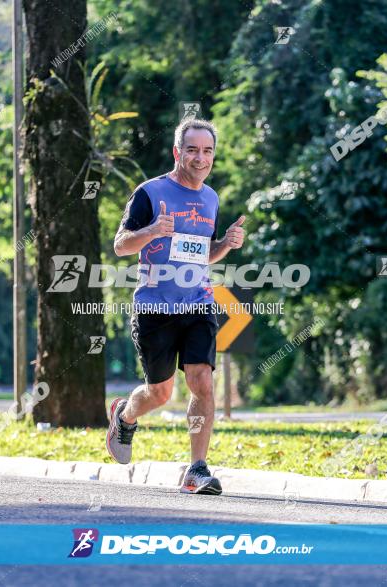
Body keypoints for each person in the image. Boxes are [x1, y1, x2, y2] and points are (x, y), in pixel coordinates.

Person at [106, 118, 245, 494]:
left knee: (201, 381)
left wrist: (227, 243)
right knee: (160, 393)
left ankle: (197, 469)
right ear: (177, 152)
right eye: (192, 150)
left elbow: (205, 255)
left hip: (199, 303)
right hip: (154, 308)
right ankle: (125, 414)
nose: (200, 158)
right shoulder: (149, 193)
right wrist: (151, 231)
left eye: (207, 151)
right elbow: (120, 245)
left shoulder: (211, 198)